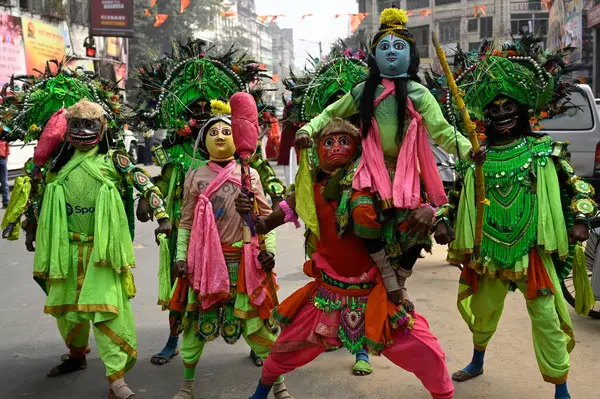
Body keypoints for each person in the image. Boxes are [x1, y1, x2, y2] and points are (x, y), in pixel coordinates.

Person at [241, 118, 454, 399]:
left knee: (427, 351)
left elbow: (417, 196)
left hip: (376, 295)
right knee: (283, 350)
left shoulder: (376, 185)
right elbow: (263, 226)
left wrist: (432, 211)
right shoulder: (307, 192)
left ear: (357, 149)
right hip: (327, 295)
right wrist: (245, 211)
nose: (336, 148)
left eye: (345, 141)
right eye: (328, 142)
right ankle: (259, 394)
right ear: (317, 150)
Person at [432, 36, 596, 399]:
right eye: (495, 107)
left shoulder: (543, 149)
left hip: (530, 250)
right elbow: (455, 197)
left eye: (509, 105)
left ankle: (561, 389)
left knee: (547, 318)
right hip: (488, 249)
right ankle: (477, 359)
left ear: (523, 111)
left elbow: (579, 188)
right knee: (484, 311)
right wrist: (442, 221)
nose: (502, 112)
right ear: (485, 116)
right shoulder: (477, 157)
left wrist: (581, 219)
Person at [294, 7, 485, 307]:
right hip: (369, 169)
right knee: (359, 211)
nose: (392, 52)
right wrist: (307, 129)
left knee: (422, 222)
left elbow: (444, 133)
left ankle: (401, 279)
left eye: (399, 47)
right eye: (384, 47)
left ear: (410, 55)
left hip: (408, 173)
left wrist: (469, 150)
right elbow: (330, 114)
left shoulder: (420, 95)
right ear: (374, 56)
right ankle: (386, 275)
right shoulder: (362, 92)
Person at [30, 99, 171, 399]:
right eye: (76, 125)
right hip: (65, 252)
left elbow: (144, 182)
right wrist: (31, 226)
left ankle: (116, 381)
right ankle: (77, 355)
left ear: (102, 129)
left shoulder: (114, 161)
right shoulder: (58, 164)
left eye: (90, 125)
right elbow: (40, 197)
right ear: (66, 130)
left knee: (108, 313)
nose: (82, 132)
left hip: (102, 254)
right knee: (67, 314)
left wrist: (162, 215)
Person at [169, 96, 290, 399]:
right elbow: (185, 223)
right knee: (194, 329)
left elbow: (264, 220)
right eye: (213, 132)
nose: (220, 136)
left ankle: (279, 387)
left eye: (227, 132)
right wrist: (181, 256)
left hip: (244, 264)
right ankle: (186, 387)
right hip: (206, 264)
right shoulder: (195, 176)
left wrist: (269, 252)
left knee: (258, 330)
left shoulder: (249, 176)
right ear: (203, 141)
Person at [0, 139, 9, 208]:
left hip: (2, 161)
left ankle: (5, 202)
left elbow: (7, 152)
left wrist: (5, 161)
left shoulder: (4, 141)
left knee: (4, 182)